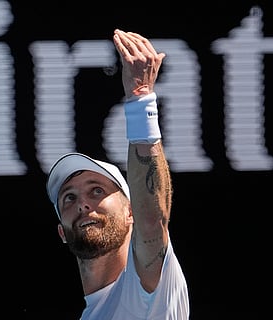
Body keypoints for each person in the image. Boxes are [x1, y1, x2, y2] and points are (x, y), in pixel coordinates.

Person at [46, 29, 190, 319]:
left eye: (97, 191)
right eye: (69, 198)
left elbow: (152, 220)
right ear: (62, 232)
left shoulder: (149, 288)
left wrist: (141, 100)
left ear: (131, 211)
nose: (83, 204)